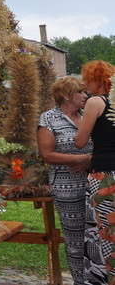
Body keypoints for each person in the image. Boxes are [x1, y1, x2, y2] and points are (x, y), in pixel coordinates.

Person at [37, 76, 92, 285]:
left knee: (98, 235)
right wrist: (82, 159)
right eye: (80, 92)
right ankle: (80, 281)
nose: (85, 96)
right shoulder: (49, 118)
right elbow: (47, 154)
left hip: (95, 186)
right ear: (67, 95)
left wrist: (91, 162)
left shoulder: (89, 115)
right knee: (76, 239)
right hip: (67, 189)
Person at [75, 60, 115, 285]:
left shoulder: (95, 102)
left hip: (105, 176)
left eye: (86, 78)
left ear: (97, 80)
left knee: (109, 233)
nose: (83, 83)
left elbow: (81, 141)